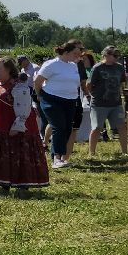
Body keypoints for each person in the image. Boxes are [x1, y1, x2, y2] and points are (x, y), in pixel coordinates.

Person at [0, 58, 49, 194]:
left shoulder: (18, 86)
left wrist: (18, 126)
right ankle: (4, 186)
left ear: (9, 69)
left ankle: (23, 187)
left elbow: (24, 108)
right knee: (3, 157)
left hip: (15, 130)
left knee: (19, 156)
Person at [33, 39, 85, 169]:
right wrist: (39, 96)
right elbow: (38, 81)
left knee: (67, 128)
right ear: (66, 52)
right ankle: (56, 158)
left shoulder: (73, 65)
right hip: (52, 100)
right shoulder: (51, 64)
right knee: (58, 126)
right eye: (75, 53)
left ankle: (61, 157)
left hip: (70, 101)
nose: (77, 56)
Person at [87, 46, 128, 158]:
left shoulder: (119, 68)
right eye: (114, 55)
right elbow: (89, 84)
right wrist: (93, 95)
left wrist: (123, 95)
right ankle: (91, 153)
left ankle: (125, 152)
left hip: (116, 103)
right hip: (99, 104)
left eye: (118, 56)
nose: (117, 58)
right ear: (106, 55)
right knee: (97, 128)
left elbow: (122, 83)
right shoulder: (97, 68)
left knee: (122, 126)